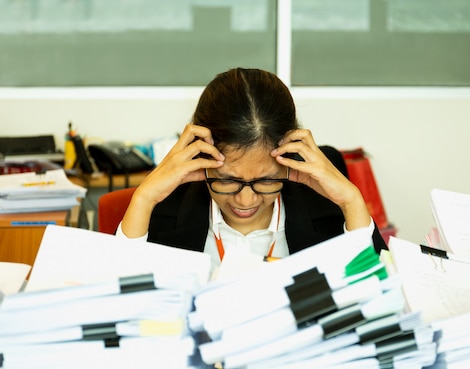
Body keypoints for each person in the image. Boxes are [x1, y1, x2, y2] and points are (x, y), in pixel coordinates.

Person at [117, 67, 387, 272]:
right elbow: (116, 301)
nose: (245, 201)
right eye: (227, 180)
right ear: (202, 153)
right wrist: (144, 198)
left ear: (288, 155)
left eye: (266, 180)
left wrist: (351, 201)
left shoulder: (320, 199)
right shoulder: (168, 203)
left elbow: (378, 300)